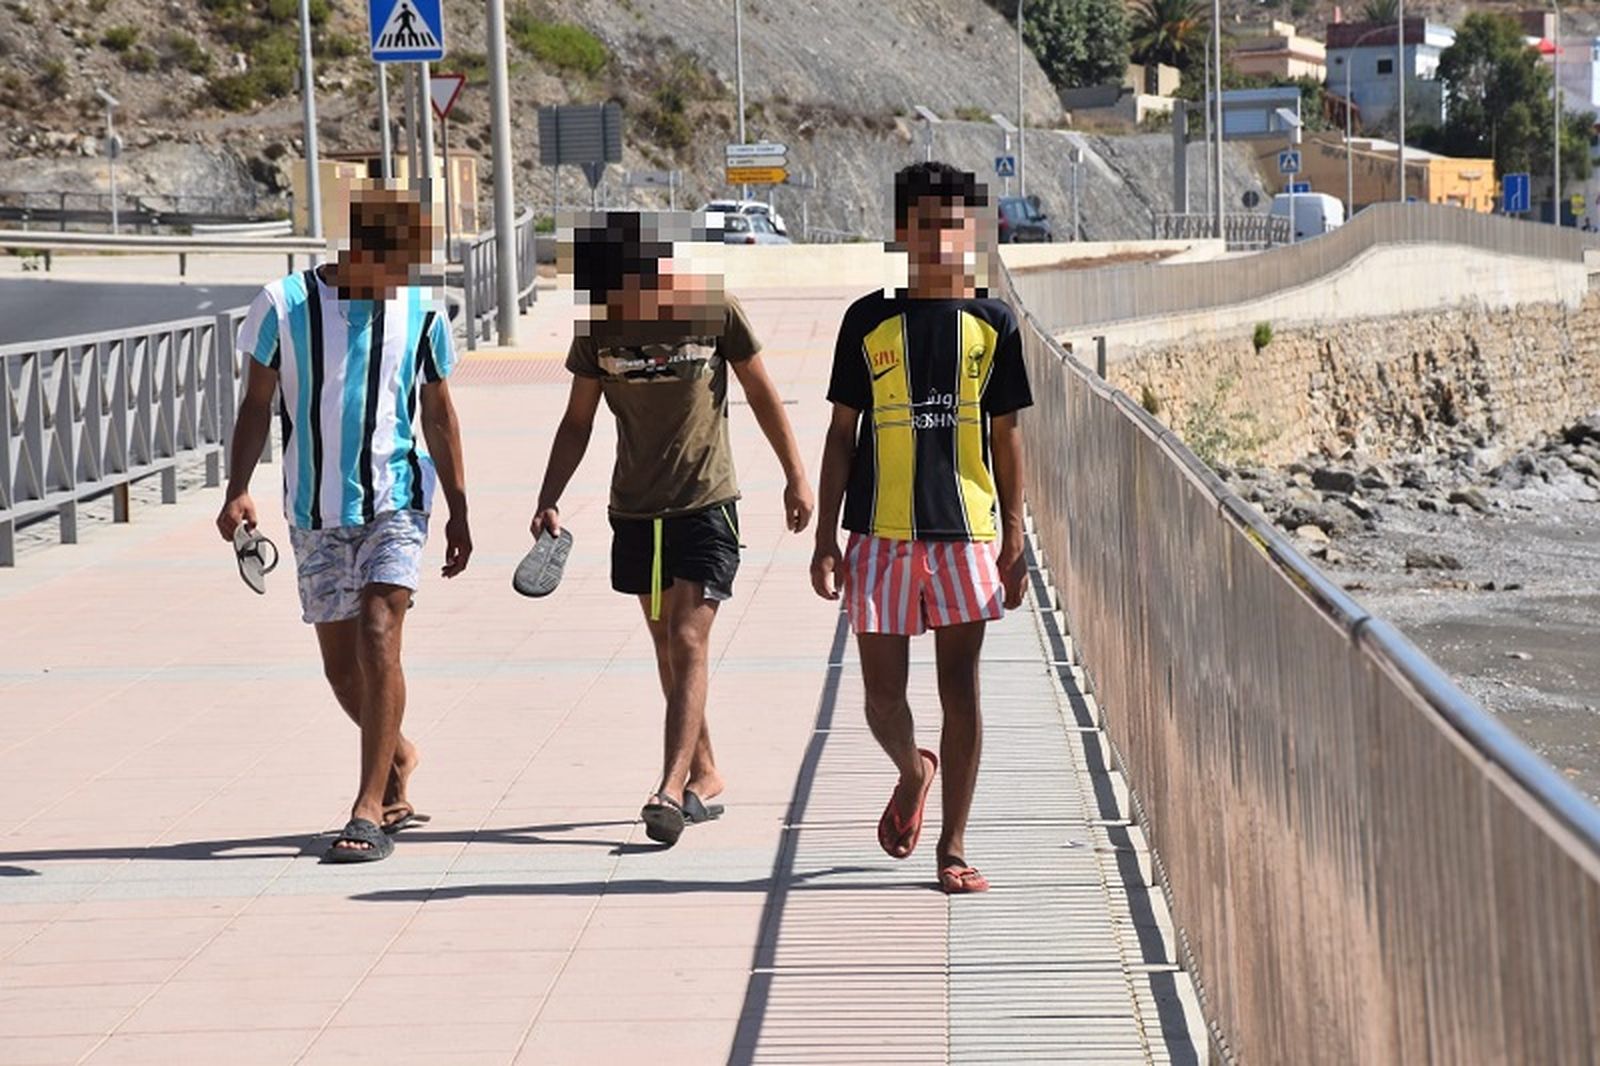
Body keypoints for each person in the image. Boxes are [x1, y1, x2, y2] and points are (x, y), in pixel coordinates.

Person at [529, 211, 813, 847]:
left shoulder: (713, 308)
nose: (611, 302)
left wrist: (796, 475)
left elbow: (763, 393)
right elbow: (577, 421)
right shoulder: (598, 329)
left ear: (655, 270)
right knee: (667, 645)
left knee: (688, 639)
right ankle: (706, 774)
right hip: (634, 510)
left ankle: (668, 787)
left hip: (706, 503)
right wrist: (550, 495)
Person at [216, 183, 472, 863]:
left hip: (396, 498)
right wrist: (238, 488)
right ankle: (398, 753)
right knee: (341, 670)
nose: (400, 280)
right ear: (357, 250)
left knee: (380, 634)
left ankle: (368, 811)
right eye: (392, 264)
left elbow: (440, 415)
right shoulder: (284, 304)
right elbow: (255, 406)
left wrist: (462, 510)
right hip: (313, 510)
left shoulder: (421, 312)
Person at [810, 162, 1032, 894]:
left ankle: (954, 846)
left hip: (967, 533)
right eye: (927, 225)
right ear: (903, 231)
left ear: (971, 232)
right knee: (880, 698)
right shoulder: (866, 320)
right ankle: (913, 770)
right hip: (876, 533)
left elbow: (1006, 440)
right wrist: (823, 539)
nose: (941, 239)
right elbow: (842, 433)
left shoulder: (994, 324)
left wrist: (1015, 538)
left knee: (960, 692)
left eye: (955, 224)